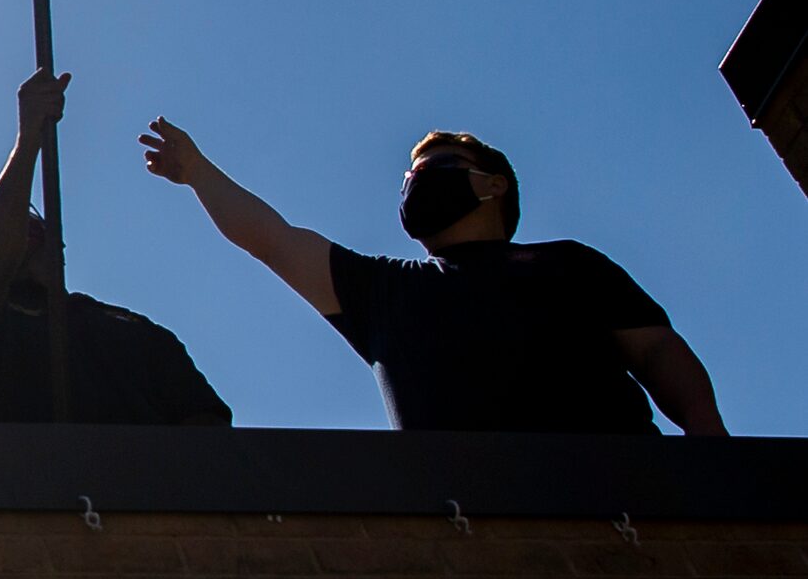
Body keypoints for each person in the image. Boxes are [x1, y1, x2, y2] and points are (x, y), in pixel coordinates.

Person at [140, 118, 725, 435]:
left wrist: (715, 453)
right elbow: (273, 240)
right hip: (473, 534)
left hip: (630, 505)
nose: (418, 182)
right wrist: (197, 172)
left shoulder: (569, 263)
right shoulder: (384, 290)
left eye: (439, 166)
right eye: (409, 177)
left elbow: (654, 350)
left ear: (494, 185)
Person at [0, 71, 230, 426]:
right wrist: (28, 143)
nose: (27, 240)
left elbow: (208, 434)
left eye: (35, 231)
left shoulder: (134, 331)